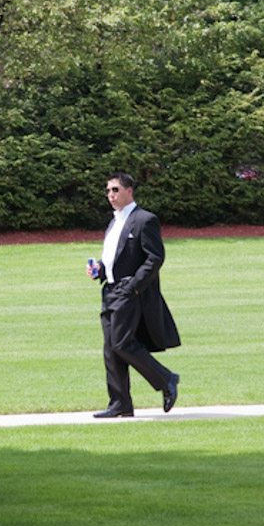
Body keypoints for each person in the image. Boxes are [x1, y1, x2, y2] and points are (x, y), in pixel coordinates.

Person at [86, 173, 180, 417]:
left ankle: (166, 378)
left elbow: (155, 257)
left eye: (116, 190)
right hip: (110, 290)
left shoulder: (144, 220)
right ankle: (120, 404)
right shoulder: (114, 222)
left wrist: (134, 287)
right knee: (111, 348)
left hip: (129, 291)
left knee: (121, 342)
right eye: (108, 191)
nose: (111, 195)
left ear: (129, 191)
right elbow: (115, 258)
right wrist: (99, 269)